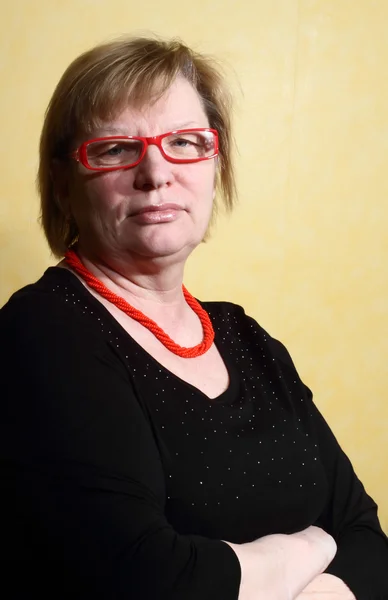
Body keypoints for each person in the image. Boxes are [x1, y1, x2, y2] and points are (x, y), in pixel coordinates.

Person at [1, 36, 387, 600]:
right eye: (114, 149)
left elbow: (368, 541)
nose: (156, 173)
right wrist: (308, 548)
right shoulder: (42, 332)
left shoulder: (247, 340)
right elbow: (146, 578)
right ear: (63, 181)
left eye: (184, 141)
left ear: (215, 163)